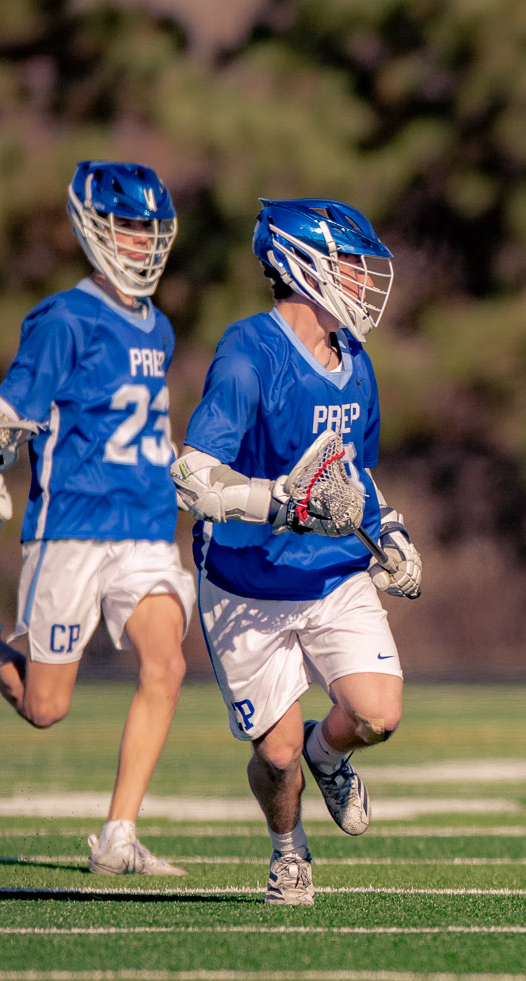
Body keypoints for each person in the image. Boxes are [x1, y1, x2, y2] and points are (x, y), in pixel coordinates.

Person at [169, 198, 423, 907]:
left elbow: (353, 475)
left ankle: (328, 753)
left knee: (378, 712)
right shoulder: (250, 352)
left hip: (327, 574)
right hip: (246, 577)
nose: (364, 281)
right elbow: (193, 474)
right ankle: (287, 847)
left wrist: (389, 531)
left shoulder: (356, 363)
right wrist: (275, 501)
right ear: (303, 266)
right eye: (349, 264)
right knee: (274, 756)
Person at [0, 161, 193, 876]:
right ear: (93, 228)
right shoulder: (64, 318)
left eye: (150, 229)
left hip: (145, 527)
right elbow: (9, 406)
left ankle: (118, 834)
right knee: (45, 707)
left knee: (167, 662)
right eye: (128, 227)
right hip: (69, 526)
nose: (141, 242)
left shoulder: (158, 324)